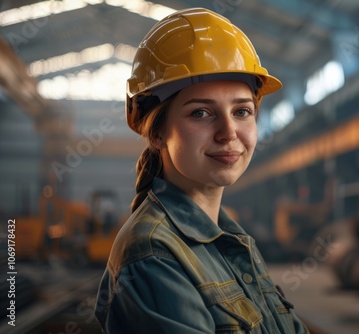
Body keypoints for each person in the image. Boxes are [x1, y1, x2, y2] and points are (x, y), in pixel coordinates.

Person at [94, 7, 309, 334]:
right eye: (201, 113)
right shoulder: (153, 256)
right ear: (156, 133)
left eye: (241, 111)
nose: (228, 133)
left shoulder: (231, 239)